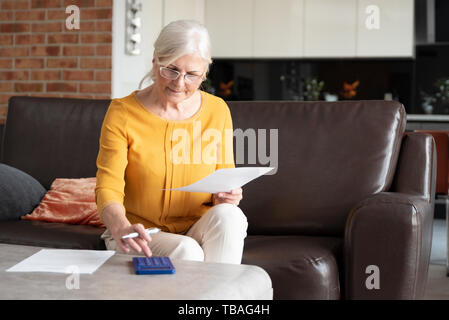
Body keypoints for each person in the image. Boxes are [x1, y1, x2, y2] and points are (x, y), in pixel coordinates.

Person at [95, 20, 248, 264]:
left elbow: (223, 180)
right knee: (186, 250)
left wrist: (225, 197)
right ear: (156, 59)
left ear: (204, 72)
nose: (179, 83)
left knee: (231, 216)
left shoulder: (217, 111)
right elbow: (108, 186)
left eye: (191, 75)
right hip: (140, 234)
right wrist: (120, 226)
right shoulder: (122, 112)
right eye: (171, 69)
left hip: (196, 227)